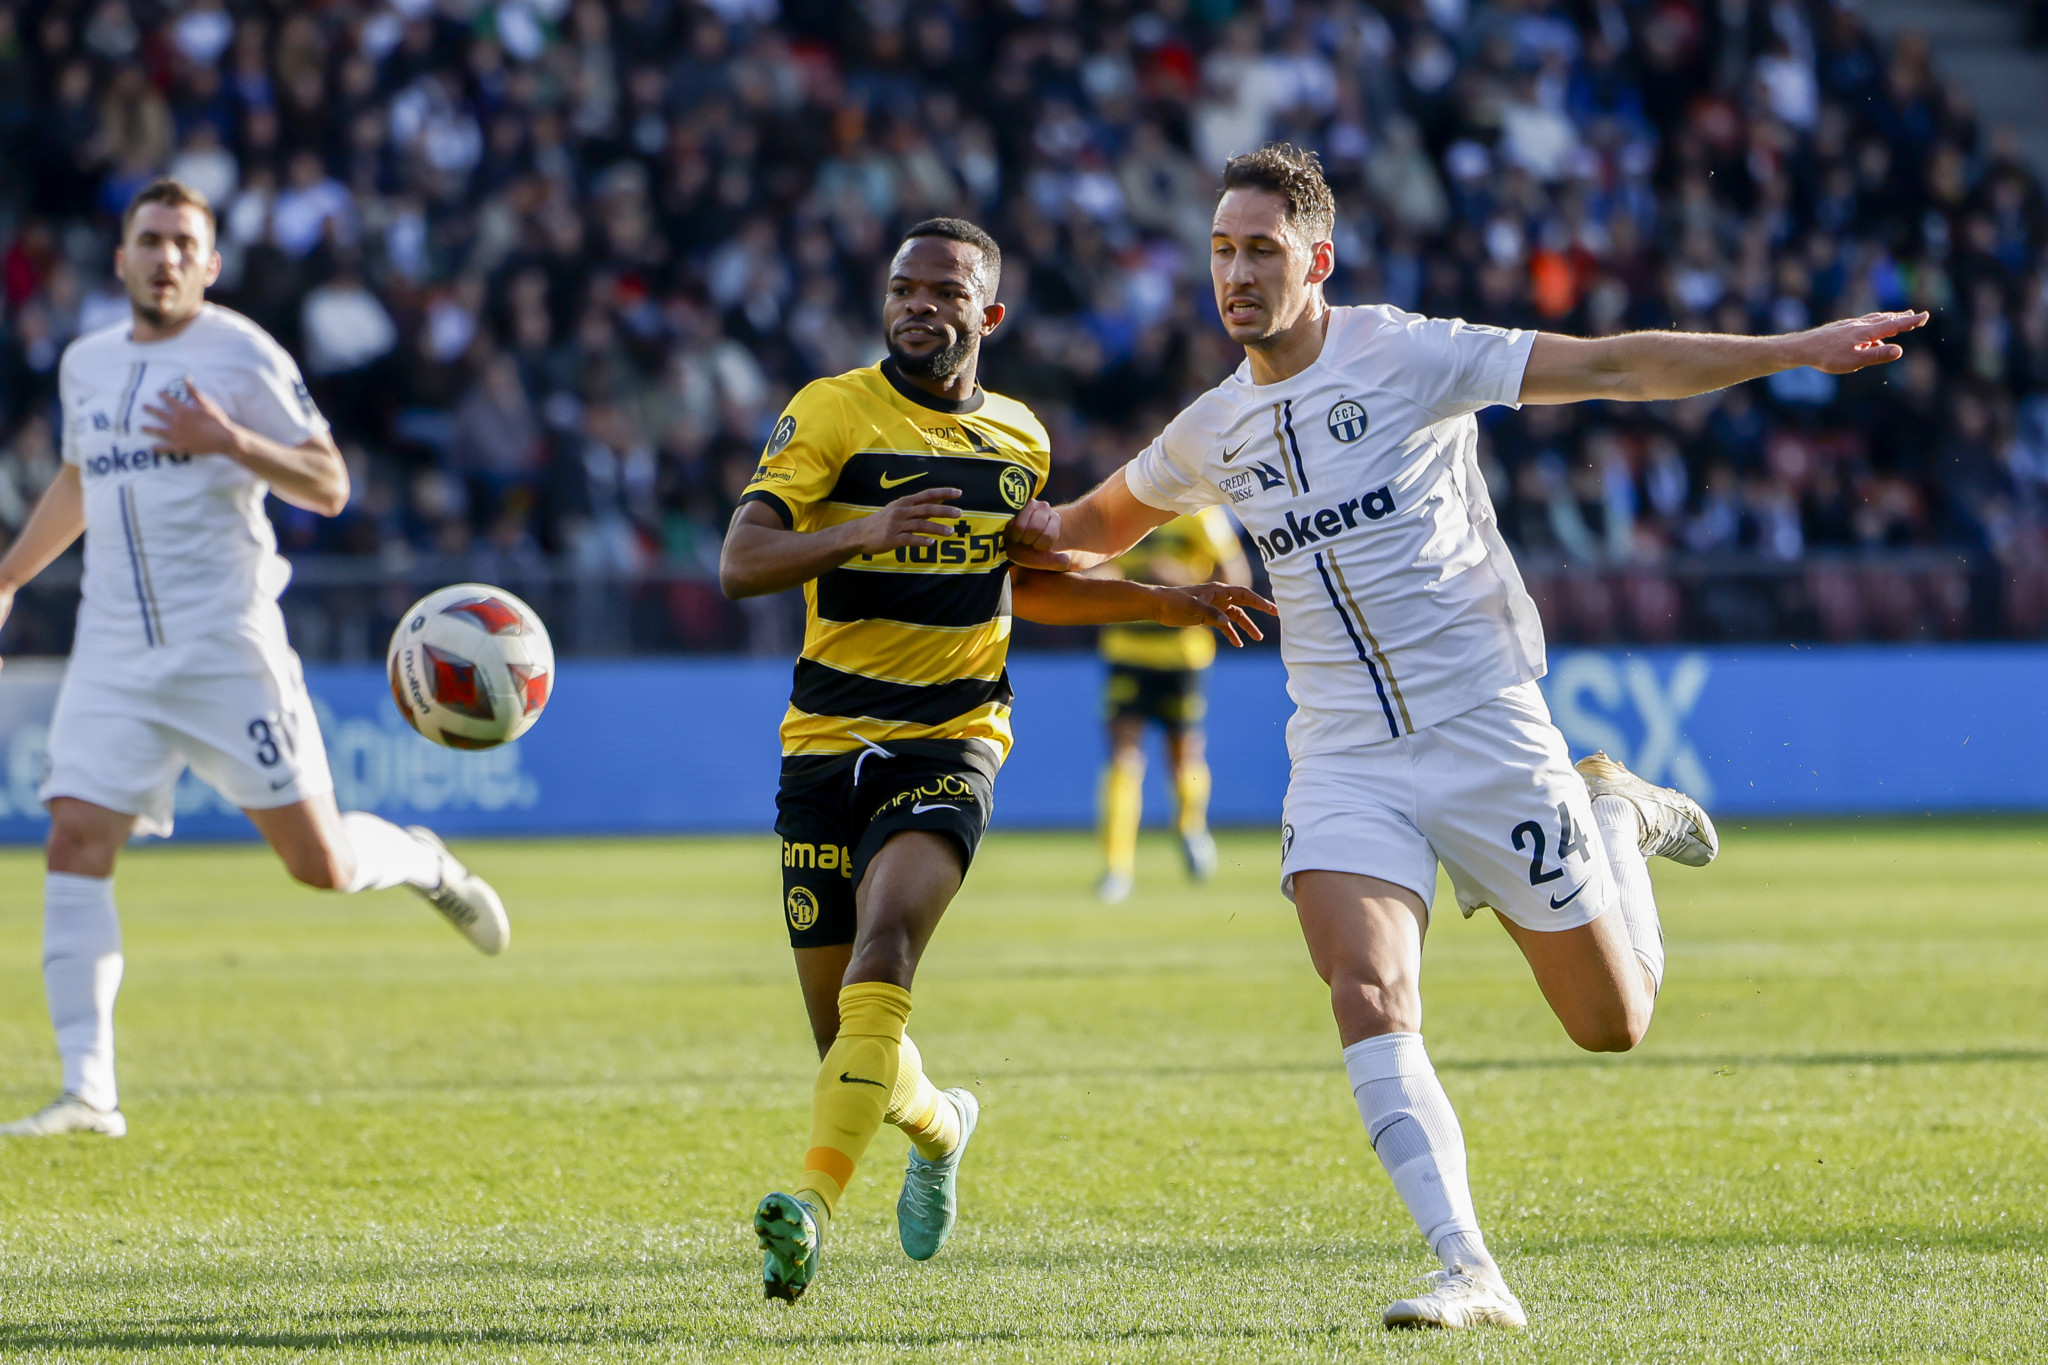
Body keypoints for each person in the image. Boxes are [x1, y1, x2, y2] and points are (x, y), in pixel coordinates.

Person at [1007, 145, 1926, 1330]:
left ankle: (1610, 811)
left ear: (1316, 262)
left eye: (1260, 252)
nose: (1234, 274)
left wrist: (1789, 349)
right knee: (1366, 990)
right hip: (1340, 752)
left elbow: (1612, 367)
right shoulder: (1209, 429)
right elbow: (1078, 535)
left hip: (1484, 728)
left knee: (1609, 1025)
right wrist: (968, 517)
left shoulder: (1408, 351)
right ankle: (1468, 1270)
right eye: (1221, 252)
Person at [719, 217, 1273, 1303]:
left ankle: (810, 1213)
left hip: (953, 734)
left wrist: (1160, 600)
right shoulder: (828, 412)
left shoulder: (1018, 441)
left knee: (887, 953)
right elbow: (744, 562)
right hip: (825, 744)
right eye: (901, 288)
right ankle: (942, 1127)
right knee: (844, 1042)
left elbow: (1026, 581)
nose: (917, 305)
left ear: (988, 314)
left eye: (942, 291)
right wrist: (856, 535)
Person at [0, 179, 507, 1141]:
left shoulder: (241, 354)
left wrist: (226, 440)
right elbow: (79, 476)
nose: (166, 258)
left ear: (211, 263)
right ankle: (89, 1092)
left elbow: (329, 482)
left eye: (185, 243)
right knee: (74, 837)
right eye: (149, 240)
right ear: (120, 258)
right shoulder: (85, 364)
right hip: (112, 648)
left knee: (318, 865)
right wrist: (12, 574)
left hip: (225, 644)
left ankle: (421, 860)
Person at [1092, 504, 1252, 902]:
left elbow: (1236, 579)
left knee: (1182, 757)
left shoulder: (1201, 516)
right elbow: (1104, 568)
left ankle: (1190, 825)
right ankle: (1117, 869)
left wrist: (1180, 580)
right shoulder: (1122, 509)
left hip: (1183, 653)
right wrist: (1105, 580)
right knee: (1123, 755)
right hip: (1127, 647)